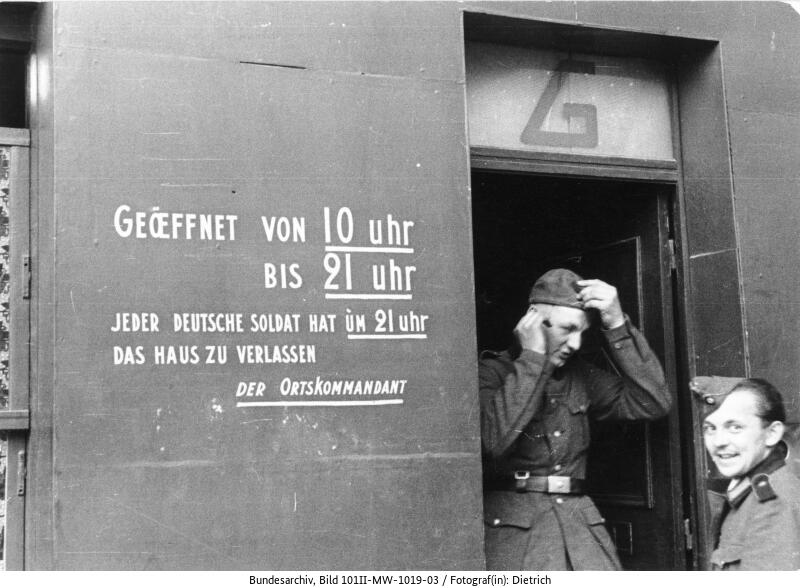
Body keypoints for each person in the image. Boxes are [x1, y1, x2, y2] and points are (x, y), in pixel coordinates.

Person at [479, 268, 672, 570]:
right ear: (532, 320)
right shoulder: (492, 373)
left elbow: (653, 403)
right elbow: (493, 442)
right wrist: (532, 358)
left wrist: (617, 324)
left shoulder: (581, 375)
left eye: (582, 332)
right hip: (516, 538)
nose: (576, 344)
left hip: (579, 531)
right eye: (567, 329)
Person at [691, 376, 800, 570]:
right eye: (710, 428)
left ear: (772, 433)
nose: (719, 441)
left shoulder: (773, 505)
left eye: (735, 427)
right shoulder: (747, 490)